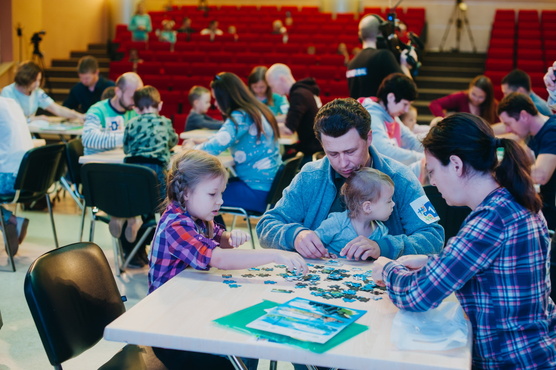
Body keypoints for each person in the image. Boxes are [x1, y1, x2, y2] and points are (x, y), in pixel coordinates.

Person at [372, 112, 556, 369]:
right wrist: (430, 261)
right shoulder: (512, 200)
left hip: (509, 361)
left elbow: (416, 296)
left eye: (433, 171)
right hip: (534, 350)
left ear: (456, 165)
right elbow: (488, 266)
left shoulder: (490, 219)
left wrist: (387, 268)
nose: (433, 183)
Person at [149, 149, 308, 369]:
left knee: (249, 339)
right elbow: (219, 259)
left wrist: (229, 236)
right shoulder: (176, 225)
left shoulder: (198, 217)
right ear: (185, 193)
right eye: (213, 194)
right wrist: (275, 255)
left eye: (221, 193)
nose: (220, 201)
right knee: (244, 345)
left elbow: (219, 240)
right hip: (172, 330)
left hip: (192, 308)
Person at [256, 98, 444, 260]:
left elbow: (433, 238)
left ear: (369, 138)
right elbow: (267, 225)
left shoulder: (401, 179)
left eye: (350, 151)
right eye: (332, 153)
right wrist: (295, 235)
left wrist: (384, 247)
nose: (343, 163)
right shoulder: (310, 176)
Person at [195, 72, 282, 214]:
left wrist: (188, 150)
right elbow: (222, 138)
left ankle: (213, 235)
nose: (215, 104)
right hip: (270, 190)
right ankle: (216, 234)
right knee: (210, 189)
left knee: (198, 195)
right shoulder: (258, 110)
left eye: (216, 99)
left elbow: (213, 147)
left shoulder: (241, 116)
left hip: (256, 192)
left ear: (226, 98)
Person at [497, 92, 556, 231]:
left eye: (509, 123)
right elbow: (524, 159)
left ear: (523, 115)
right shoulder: (534, 134)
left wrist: (503, 171)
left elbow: (540, 175)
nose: (508, 130)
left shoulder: (552, 130)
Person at [358, 73, 425, 180]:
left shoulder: (390, 115)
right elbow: (384, 151)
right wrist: (422, 158)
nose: (406, 110)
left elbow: (410, 139)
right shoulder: (372, 115)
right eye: (405, 104)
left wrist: (432, 152)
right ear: (391, 97)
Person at [314, 168, 393, 258]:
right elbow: (313, 244)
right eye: (389, 201)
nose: (393, 204)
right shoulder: (337, 222)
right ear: (367, 207)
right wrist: (325, 255)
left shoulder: (381, 231)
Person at [123, 85, 178, 201]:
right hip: (156, 167)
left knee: (135, 199)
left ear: (136, 109)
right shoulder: (165, 122)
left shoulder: (131, 123)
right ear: (160, 105)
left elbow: (126, 149)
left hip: (132, 167)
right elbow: (173, 141)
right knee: (161, 202)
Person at [265, 63, 323, 164]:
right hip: (315, 147)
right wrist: (269, 118)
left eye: (272, 86)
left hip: (311, 151)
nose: (273, 91)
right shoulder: (303, 90)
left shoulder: (298, 94)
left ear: (282, 79)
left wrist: (263, 126)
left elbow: (288, 129)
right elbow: (291, 117)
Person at [346, 14, 414, 99]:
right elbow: (408, 92)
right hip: (379, 112)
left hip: (358, 112)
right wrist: (405, 66)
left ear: (360, 34)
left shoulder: (351, 63)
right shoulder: (383, 56)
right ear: (381, 33)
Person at [82, 72, 143, 155]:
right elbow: (88, 139)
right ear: (118, 91)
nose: (135, 102)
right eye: (132, 97)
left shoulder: (135, 111)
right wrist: (127, 138)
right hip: (99, 164)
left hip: (122, 163)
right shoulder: (98, 110)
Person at [1, 61, 84, 122]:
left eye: (39, 80)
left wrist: (78, 115)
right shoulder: (8, 92)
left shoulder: (37, 92)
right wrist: (34, 119)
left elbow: (56, 109)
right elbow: (11, 119)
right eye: (35, 81)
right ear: (26, 79)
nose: (38, 84)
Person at [0, 97, 32, 254]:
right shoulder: (12, 103)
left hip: (8, 180)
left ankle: (9, 219)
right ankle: (11, 220)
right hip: (28, 178)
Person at [429, 74, 498, 124]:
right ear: (469, 89)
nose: (476, 99)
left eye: (481, 97)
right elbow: (434, 104)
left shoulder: (493, 105)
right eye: (473, 94)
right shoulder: (461, 97)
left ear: (488, 96)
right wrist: (445, 120)